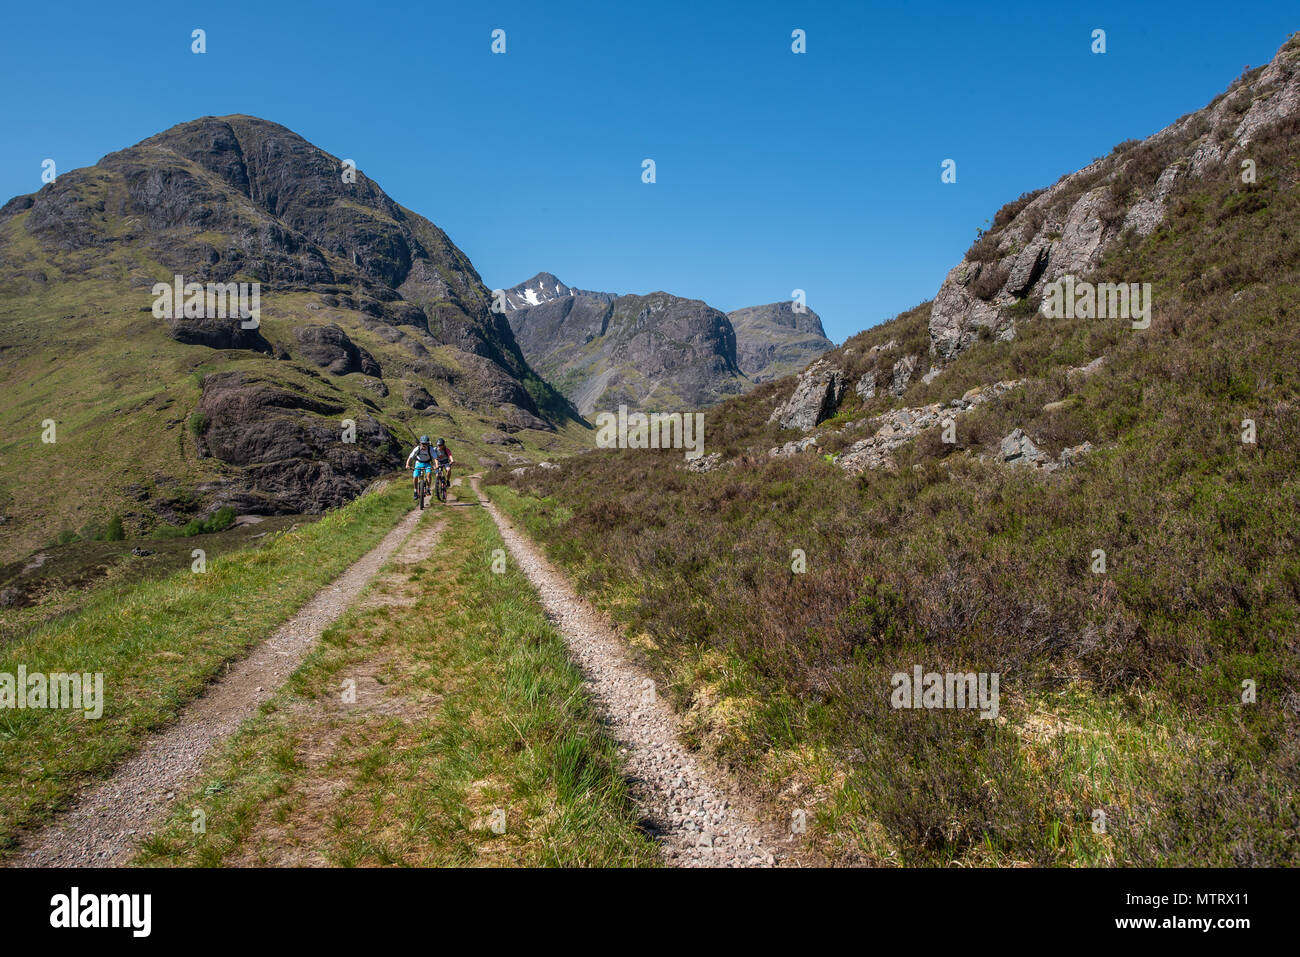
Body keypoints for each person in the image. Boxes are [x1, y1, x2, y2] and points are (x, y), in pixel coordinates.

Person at [405, 436, 435, 503]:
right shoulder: (417, 449)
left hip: (427, 463)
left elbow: (435, 458)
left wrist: (436, 465)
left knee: (429, 474)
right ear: (420, 443)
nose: (424, 446)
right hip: (419, 463)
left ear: (428, 444)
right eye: (423, 444)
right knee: (415, 476)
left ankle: (428, 488)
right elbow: (410, 457)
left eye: (426, 444)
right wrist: (407, 464)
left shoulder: (430, 449)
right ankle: (415, 491)